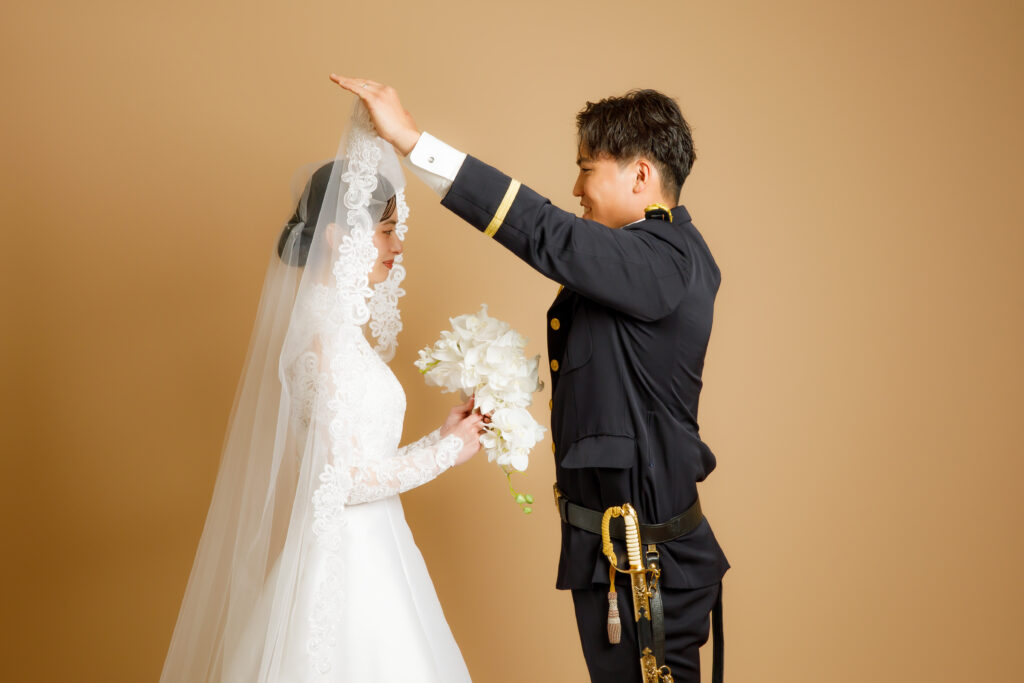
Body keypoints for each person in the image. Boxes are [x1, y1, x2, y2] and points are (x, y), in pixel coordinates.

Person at [332, 76, 730, 683]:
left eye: (586, 169)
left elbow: (548, 233)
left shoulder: (664, 258)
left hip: (646, 568)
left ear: (640, 175)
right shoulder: (648, 259)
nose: (576, 189)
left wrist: (414, 143)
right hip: (620, 558)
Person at [159, 104, 481, 683]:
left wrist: (444, 436)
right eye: (386, 231)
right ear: (338, 235)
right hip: (347, 562)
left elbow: (359, 459)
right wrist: (444, 452)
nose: (397, 247)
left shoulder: (337, 332)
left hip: (378, 550)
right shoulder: (319, 341)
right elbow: (345, 481)